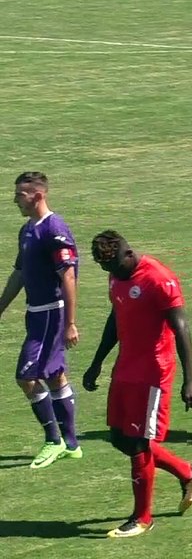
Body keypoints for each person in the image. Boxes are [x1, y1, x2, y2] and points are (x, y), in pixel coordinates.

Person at [82, 231, 192, 539]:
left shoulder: (158, 279)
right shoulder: (116, 276)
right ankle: (188, 472)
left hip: (153, 373)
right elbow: (116, 319)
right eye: (103, 268)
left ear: (128, 254)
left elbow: (182, 326)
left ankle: (142, 517)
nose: (110, 274)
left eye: (113, 266)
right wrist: (97, 362)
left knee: (137, 443)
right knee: (120, 439)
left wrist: (191, 379)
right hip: (125, 369)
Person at [0, 171, 82, 468]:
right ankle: (71, 444)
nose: (14, 200)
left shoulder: (54, 229)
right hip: (35, 313)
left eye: (20, 194)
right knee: (54, 375)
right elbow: (20, 273)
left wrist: (70, 322)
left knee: (25, 376)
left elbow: (69, 276)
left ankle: (54, 440)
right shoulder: (27, 230)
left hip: (51, 313)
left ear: (38, 195)